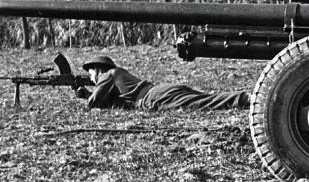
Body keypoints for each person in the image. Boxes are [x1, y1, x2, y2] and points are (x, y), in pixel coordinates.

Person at [75, 55, 250, 111]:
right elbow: (110, 101)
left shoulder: (108, 75)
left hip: (154, 98)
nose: (91, 78)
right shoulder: (116, 74)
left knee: (205, 103)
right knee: (207, 98)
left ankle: (245, 99)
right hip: (159, 91)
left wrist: (87, 97)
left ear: (98, 69)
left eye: (91, 73)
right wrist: (87, 93)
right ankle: (244, 97)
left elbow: (94, 103)